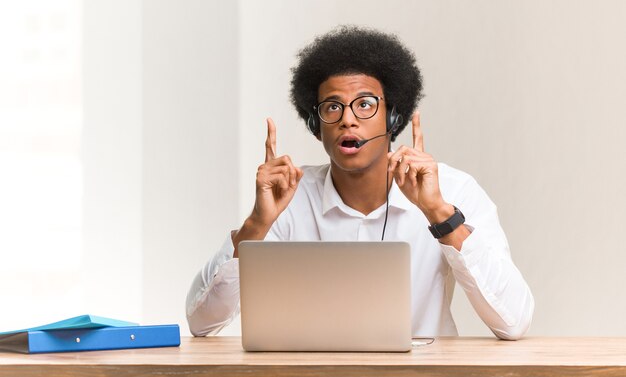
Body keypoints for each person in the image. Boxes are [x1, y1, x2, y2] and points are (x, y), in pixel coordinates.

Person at [186, 26, 534, 340]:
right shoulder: (288, 196)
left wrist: (439, 212)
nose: (348, 119)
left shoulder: (452, 190)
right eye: (332, 107)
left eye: (365, 104)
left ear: (393, 116)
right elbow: (201, 322)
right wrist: (257, 225)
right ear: (315, 123)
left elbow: (514, 321)